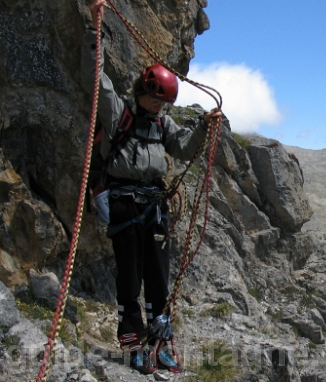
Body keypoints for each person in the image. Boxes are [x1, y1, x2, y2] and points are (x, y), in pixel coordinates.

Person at [83, 0, 222, 374]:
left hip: (155, 205)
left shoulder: (163, 126)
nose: (160, 107)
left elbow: (183, 147)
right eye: (156, 99)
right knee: (129, 276)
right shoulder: (120, 113)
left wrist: (204, 127)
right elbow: (98, 79)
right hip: (126, 204)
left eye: (164, 102)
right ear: (143, 90)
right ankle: (133, 344)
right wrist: (95, 36)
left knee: (158, 278)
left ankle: (160, 343)